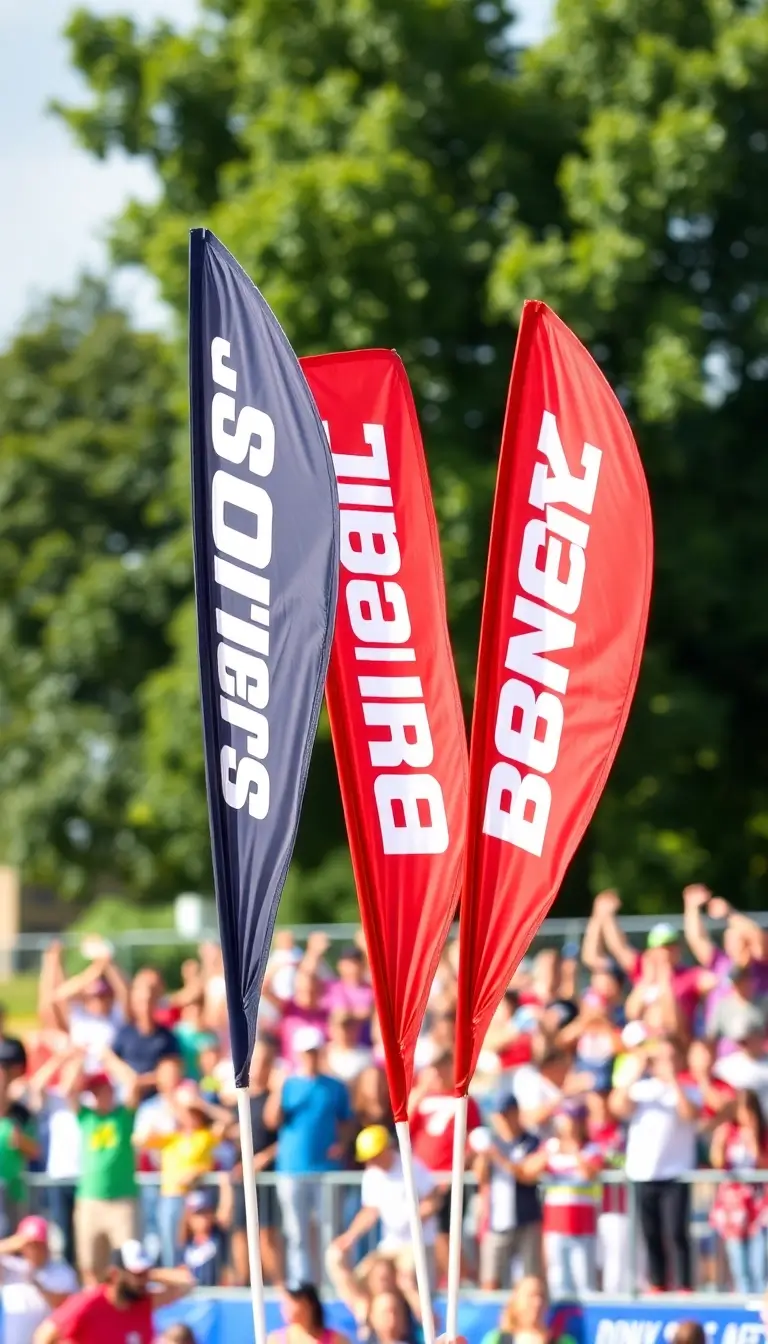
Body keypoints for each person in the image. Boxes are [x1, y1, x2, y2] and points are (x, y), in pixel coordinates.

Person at [265, 1025, 355, 1283]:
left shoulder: (335, 1087)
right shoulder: (288, 1085)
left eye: (314, 1052)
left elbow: (347, 1120)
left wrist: (342, 1143)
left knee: (330, 1230)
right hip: (292, 1169)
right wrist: (277, 1090)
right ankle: (304, 1284)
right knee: (297, 1233)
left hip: (325, 1169)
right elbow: (272, 1120)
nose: (311, 1057)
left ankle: (332, 1281)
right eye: (306, 1053)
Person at [611, 1035, 701, 1291]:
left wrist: (672, 1079)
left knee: (676, 1233)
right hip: (643, 1172)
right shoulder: (641, 1089)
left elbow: (690, 1115)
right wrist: (634, 1071)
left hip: (675, 1173)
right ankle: (657, 1284)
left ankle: (684, 1286)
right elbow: (617, 1106)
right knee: (650, 1234)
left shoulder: (688, 1090)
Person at [328, 1126, 439, 1289]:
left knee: (406, 1280)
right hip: (389, 1245)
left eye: (374, 1157)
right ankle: (363, 1310)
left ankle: (424, 1313)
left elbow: (433, 1200)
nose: (370, 1162)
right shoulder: (372, 1175)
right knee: (356, 1273)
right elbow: (370, 1211)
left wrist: (413, 1219)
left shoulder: (411, 1166)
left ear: (386, 1149)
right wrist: (350, 1236)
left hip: (416, 1245)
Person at [65, 1049, 141, 1284]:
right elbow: (68, 1090)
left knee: (129, 1265)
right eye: (94, 1092)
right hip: (90, 1201)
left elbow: (133, 1083)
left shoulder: (123, 1115)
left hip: (122, 1201)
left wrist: (109, 1058)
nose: (98, 1096)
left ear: (110, 1091)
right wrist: (78, 1057)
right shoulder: (86, 1117)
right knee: (90, 1267)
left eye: (101, 1091)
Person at [138, 1082, 228, 1267]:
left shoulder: (205, 1136)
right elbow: (141, 1140)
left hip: (195, 1200)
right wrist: (173, 1108)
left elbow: (227, 1121)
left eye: (192, 1112)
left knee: (194, 1246)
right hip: (171, 1195)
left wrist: (200, 1104)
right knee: (170, 1244)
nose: (189, 1115)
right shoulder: (171, 1137)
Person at [32, 1240, 193, 1344]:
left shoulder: (144, 1302)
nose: (143, 1281)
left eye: (145, 1273)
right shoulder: (89, 1302)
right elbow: (43, 1335)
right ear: (115, 1275)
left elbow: (187, 1283)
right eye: (137, 1274)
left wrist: (150, 1274)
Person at [519, 1100, 602, 1298]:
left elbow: (590, 1173)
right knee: (558, 1281)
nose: (569, 1125)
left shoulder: (590, 1149)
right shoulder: (551, 1147)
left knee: (585, 1282)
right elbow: (527, 1171)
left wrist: (574, 1150)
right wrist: (546, 1155)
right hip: (555, 1225)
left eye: (573, 1119)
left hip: (583, 1225)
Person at [409, 1053, 481, 1278]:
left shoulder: (465, 1100)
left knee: (444, 1232)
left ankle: (462, 1278)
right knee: (428, 1233)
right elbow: (404, 1126)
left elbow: (472, 1139)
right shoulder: (422, 1099)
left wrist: (456, 1173)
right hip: (423, 1178)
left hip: (448, 1179)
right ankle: (447, 1279)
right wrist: (421, 1090)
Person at [228, 1038, 282, 1286]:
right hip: (242, 1175)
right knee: (240, 1231)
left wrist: (262, 1159)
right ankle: (243, 1282)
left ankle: (275, 1285)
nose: (260, 1067)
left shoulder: (276, 1099)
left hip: (267, 1176)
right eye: (258, 1061)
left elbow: (286, 1138)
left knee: (266, 1233)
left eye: (266, 1062)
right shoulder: (240, 1097)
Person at [475, 1096, 542, 1288]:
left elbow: (526, 1173)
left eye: (506, 1115)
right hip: (497, 1219)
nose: (502, 1120)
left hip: (526, 1217)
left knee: (529, 1277)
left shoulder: (530, 1141)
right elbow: (481, 1177)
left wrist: (498, 1156)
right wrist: (482, 1157)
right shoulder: (494, 1142)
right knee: (490, 1277)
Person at [710, 1088, 768, 1292]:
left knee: (760, 1263)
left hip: (759, 1204)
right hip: (733, 1206)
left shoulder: (763, 1135)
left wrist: (753, 1141)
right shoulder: (729, 1133)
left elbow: (763, 1164)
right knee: (739, 1263)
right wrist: (720, 1140)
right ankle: (743, 1300)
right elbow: (717, 1163)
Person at [0, 1217, 78, 1344]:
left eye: (38, 1244)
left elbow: (70, 1307)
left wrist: (39, 1288)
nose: (35, 1250)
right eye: (30, 1245)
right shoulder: (11, 1267)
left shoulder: (63, 1271)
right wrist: (13, 1242)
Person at [113, 972, 181, 1095]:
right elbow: (113, 1063)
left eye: (149, 1001)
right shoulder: (124, 1034)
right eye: (141, 1002)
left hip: (157, 1099)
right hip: (126, 1096)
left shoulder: (167, 1037)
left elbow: (170, 1073)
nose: (145, 1007)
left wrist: (138, 1082)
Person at [265, 1282, 352, 1344]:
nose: (287, 1308)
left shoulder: (337, 1340)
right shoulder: (275, 1340)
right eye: (285, 1303)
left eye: (294, 1301)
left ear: (309, 1305)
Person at [479, 1275, 550, 1344]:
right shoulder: (497, 1339)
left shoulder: (554, 1339)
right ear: (516, 1301)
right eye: (531, 1295)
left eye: (542, 1296)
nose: (538, 1303)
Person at [178, 1188, 227, 1287]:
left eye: (205, 1213)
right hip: (193, 1296)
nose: (202, 1218)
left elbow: (225, 1213)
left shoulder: (219, 1237)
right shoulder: (185, 1245)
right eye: (197, 1214)